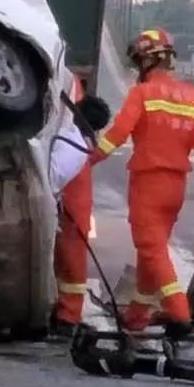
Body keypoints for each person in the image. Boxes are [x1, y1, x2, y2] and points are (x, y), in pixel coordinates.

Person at [92, 28, 194, 338]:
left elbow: (118, 134)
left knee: (152, 249)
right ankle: (138, 315)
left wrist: (89, 159)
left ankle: (179, 311)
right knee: (151, 253)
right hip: (176, 187)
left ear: (148, 62)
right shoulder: (193, 97)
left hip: (148, 184)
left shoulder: (142, 94)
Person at [51, 79, 112, 337]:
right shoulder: (80, 141)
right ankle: (62, 311)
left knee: (72, 266)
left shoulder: (73, 143)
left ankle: (68, 317)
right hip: (73, 209)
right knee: (65, 264)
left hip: (71, 211)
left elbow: (54, 176)